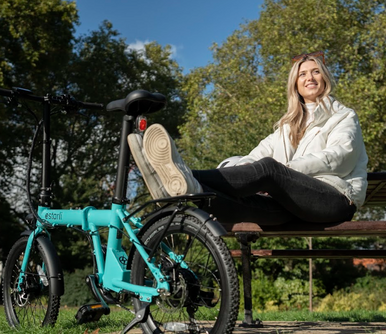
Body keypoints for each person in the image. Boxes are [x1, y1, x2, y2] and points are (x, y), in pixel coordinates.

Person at [128, 51, 368, 225]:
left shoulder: (343, 116)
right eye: (303, 74)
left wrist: (287, 172)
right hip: (291, 209)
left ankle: (183, 175)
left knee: (270, 169)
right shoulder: (286, 127)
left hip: (334, 200)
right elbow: (254, 159)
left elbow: (340, 158)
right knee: (219, 201)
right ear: (295, 84)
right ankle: (187, 186)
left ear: (325, 78)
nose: (310, 78)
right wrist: (233, 167)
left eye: (316, 72)